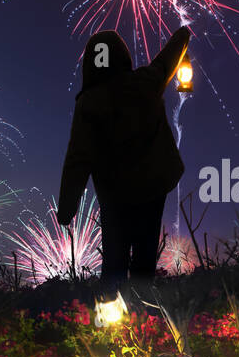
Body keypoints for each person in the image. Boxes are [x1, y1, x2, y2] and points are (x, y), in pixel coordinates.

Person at [56, 26, 190, 291]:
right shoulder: (146, 81)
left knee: (115, 256)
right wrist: (183, 35)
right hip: (153, 185)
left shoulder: (89, 103)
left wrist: (67, 208)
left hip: (115, 191)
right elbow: (168, 58)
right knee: (146, 249)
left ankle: (112, 314)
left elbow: (77, 158)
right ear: (123, 57)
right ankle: (144, 312)